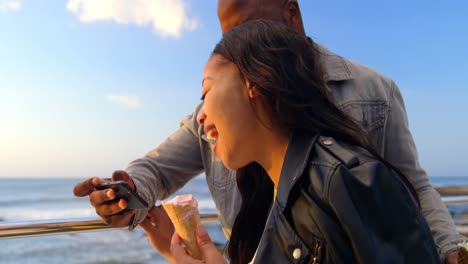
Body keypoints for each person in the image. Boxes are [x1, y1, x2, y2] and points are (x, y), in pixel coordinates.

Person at [72, 0, 465, 262]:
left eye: (249, 31)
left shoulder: (370, 95)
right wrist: (126, 194)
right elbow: (155, 170)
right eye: (228, 40)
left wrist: (450, 250)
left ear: (291, 14)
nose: (239, 50)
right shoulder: (211, 115)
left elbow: (411, 185)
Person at [146, 19, 440, 263]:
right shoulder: (277, 194)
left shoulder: (343, 181)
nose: (200, 116)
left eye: (205, 93)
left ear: (252, 82)